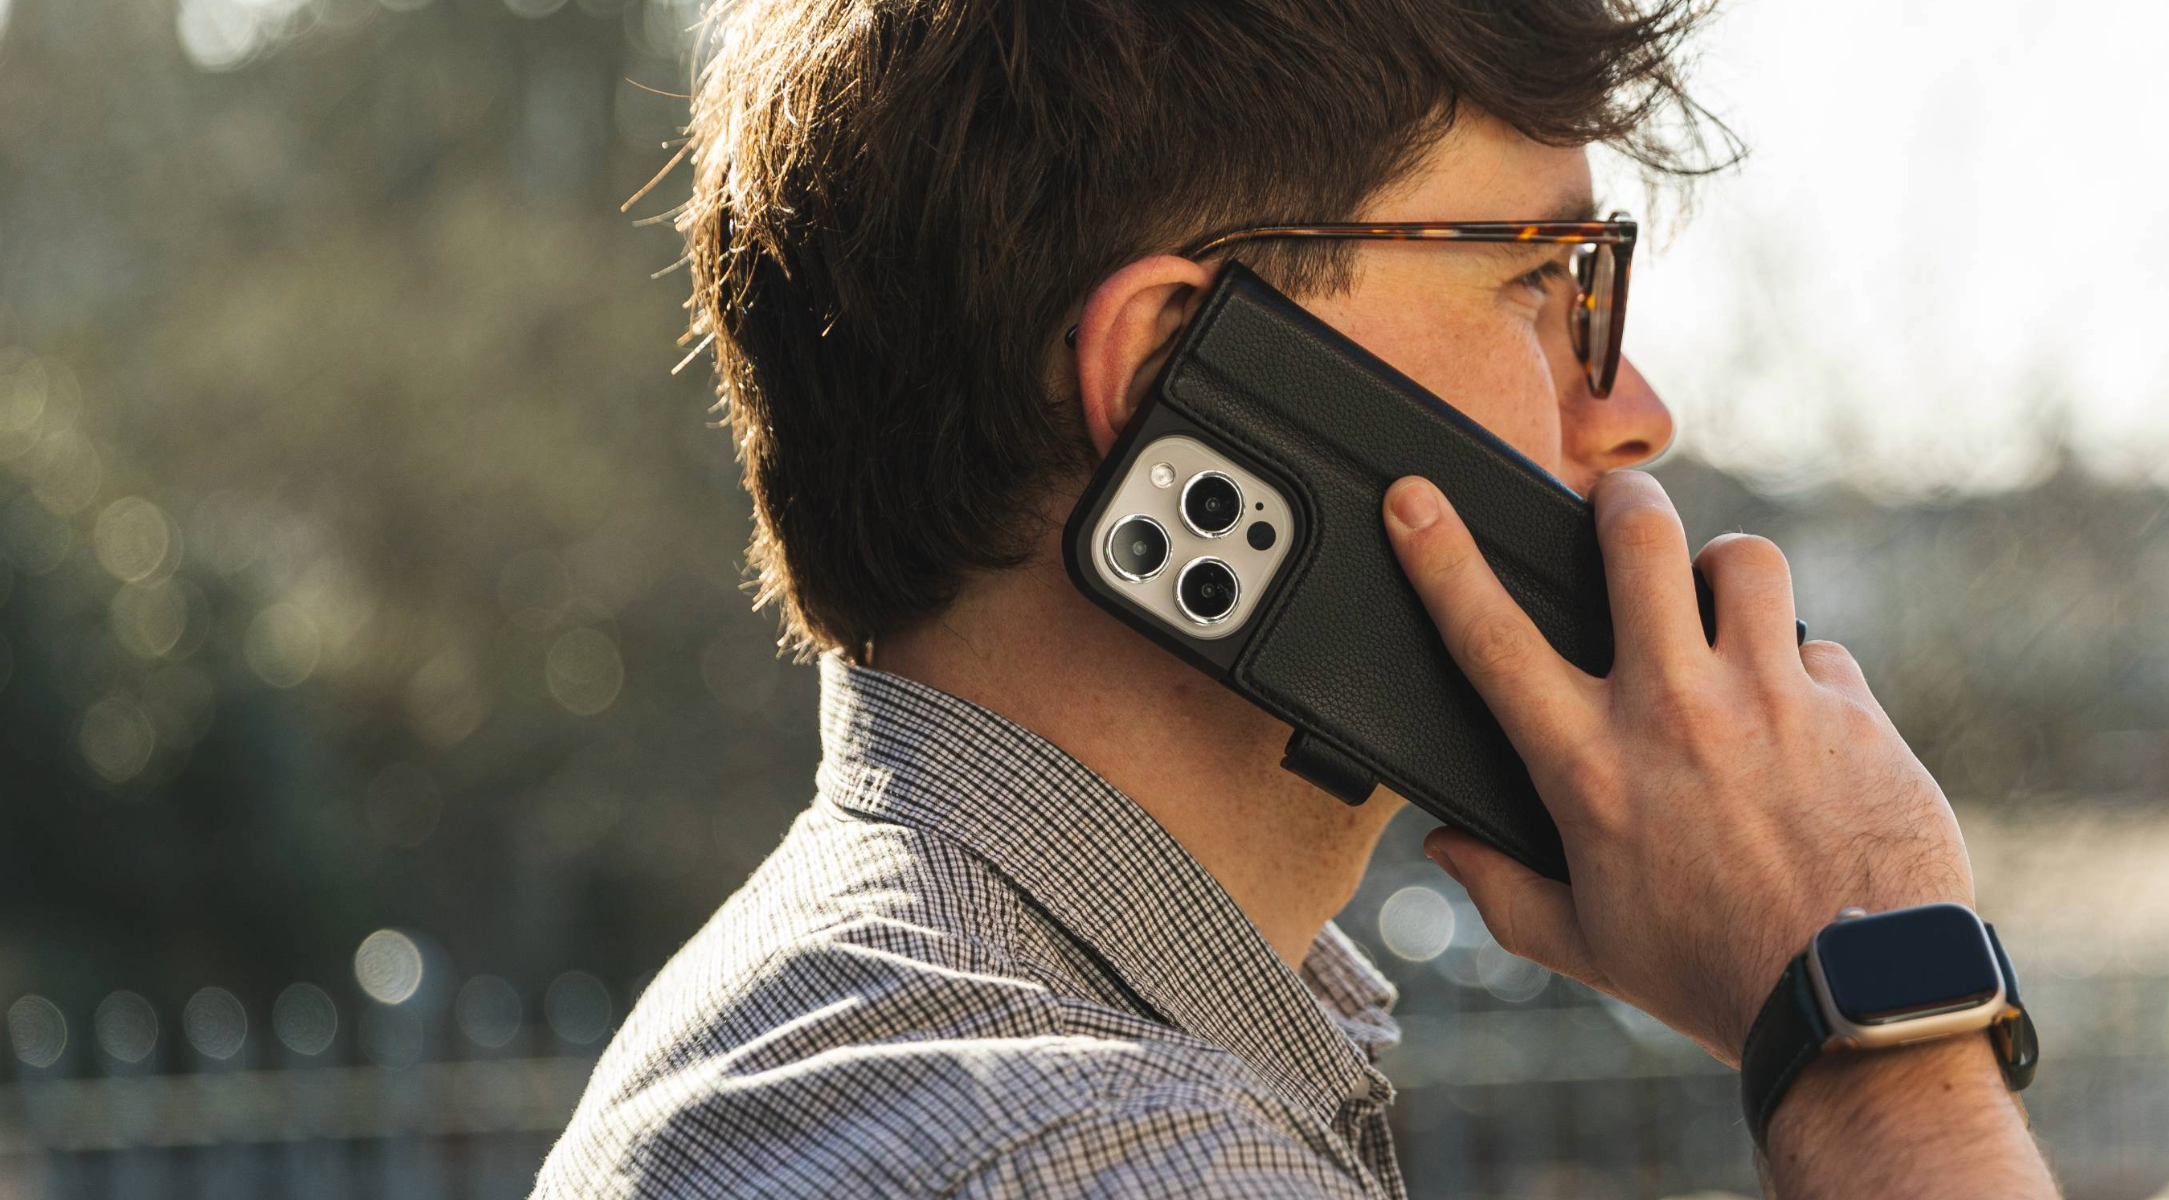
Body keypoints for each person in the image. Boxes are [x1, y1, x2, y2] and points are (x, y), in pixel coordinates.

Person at [535, 0, 2058, 1195]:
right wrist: (1864, 1017)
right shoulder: (1093, 1151)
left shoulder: (841, 1032)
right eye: (1541, 279)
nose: (1634, 414)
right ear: (1179, 386)